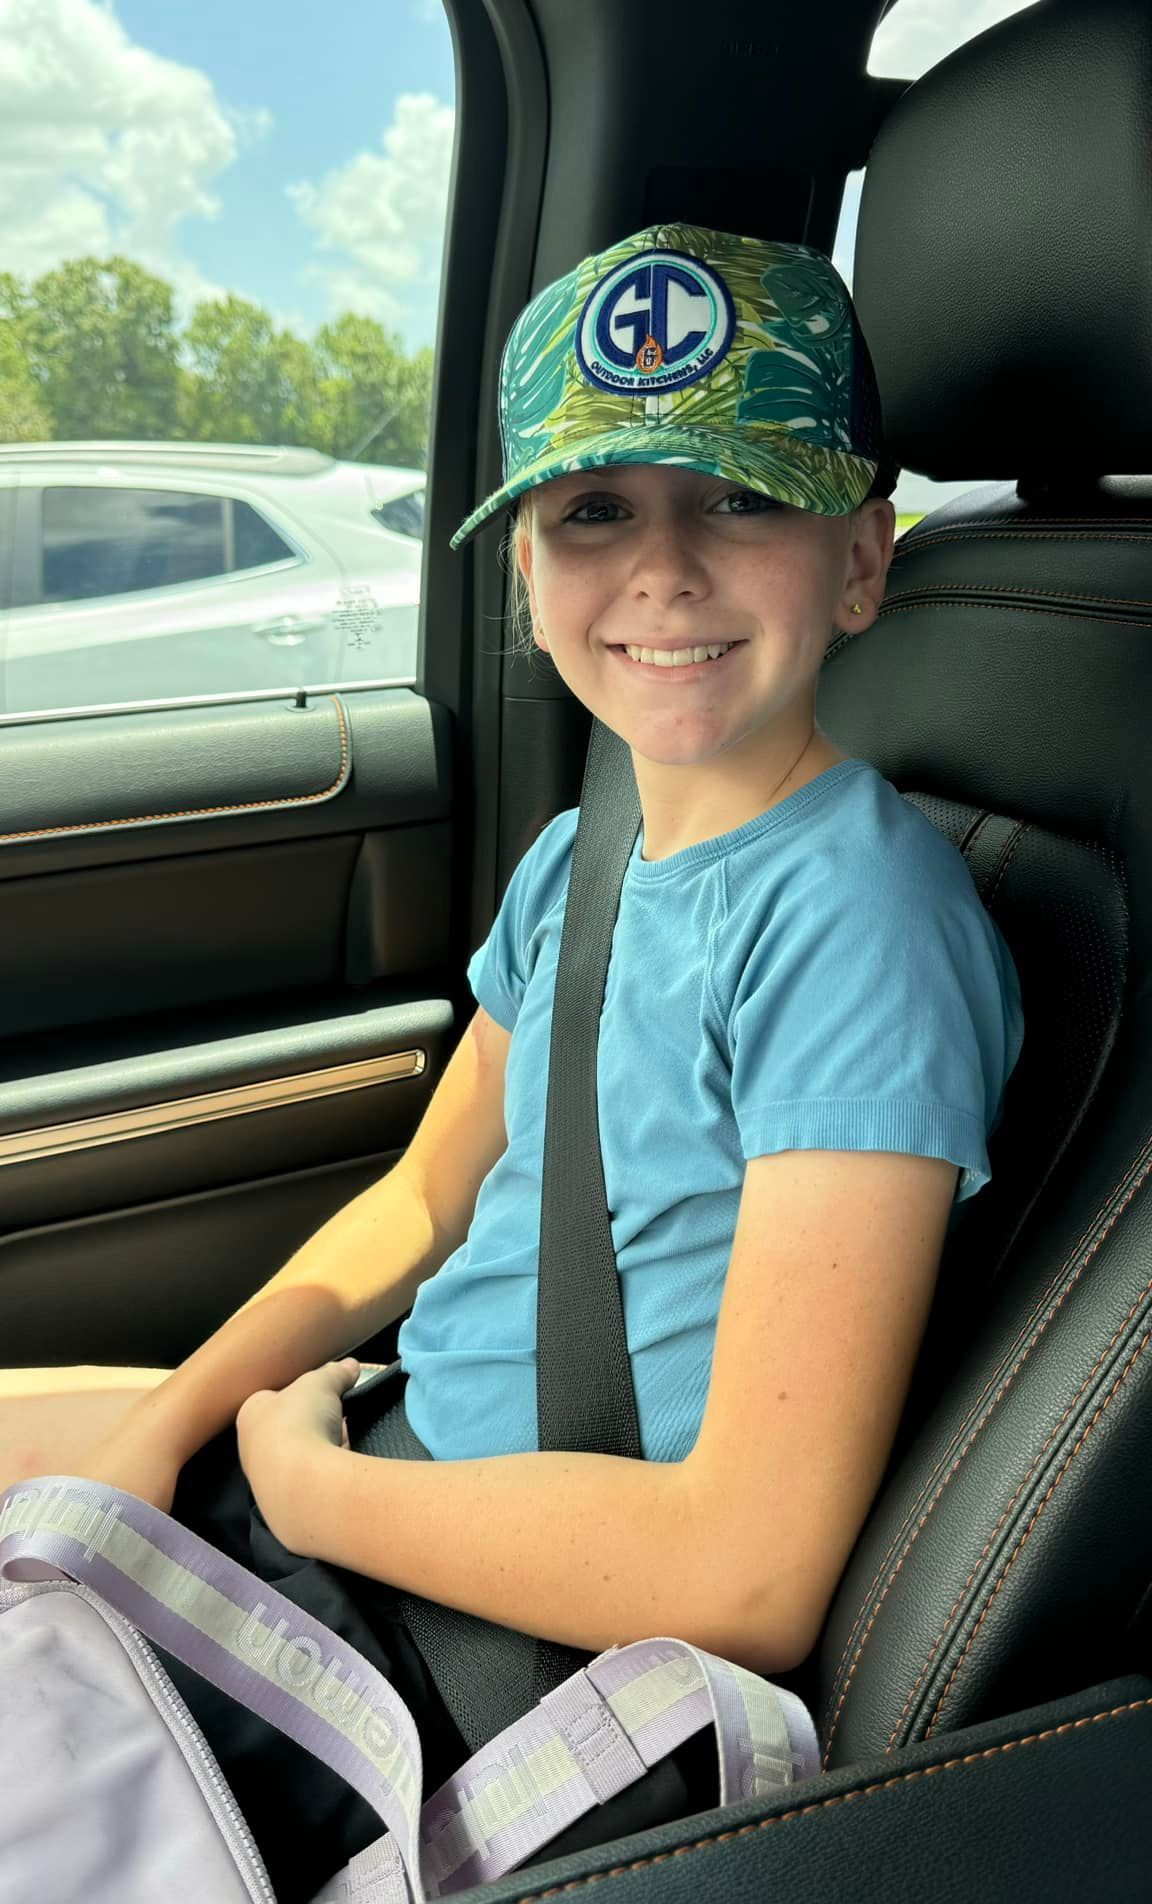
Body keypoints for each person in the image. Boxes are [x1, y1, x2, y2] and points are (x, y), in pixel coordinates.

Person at [0, 224, 1025, 1899]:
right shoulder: (580, 860)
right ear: (528, 571)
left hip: (494, 1636)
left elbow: (749, 1569)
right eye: (595, 510)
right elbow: (420, 1201)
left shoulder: (862, 923)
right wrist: (181, 1421)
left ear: (861, 560)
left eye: (741, 496)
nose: (664, 569)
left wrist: (305, 1489)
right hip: (390, 1472)